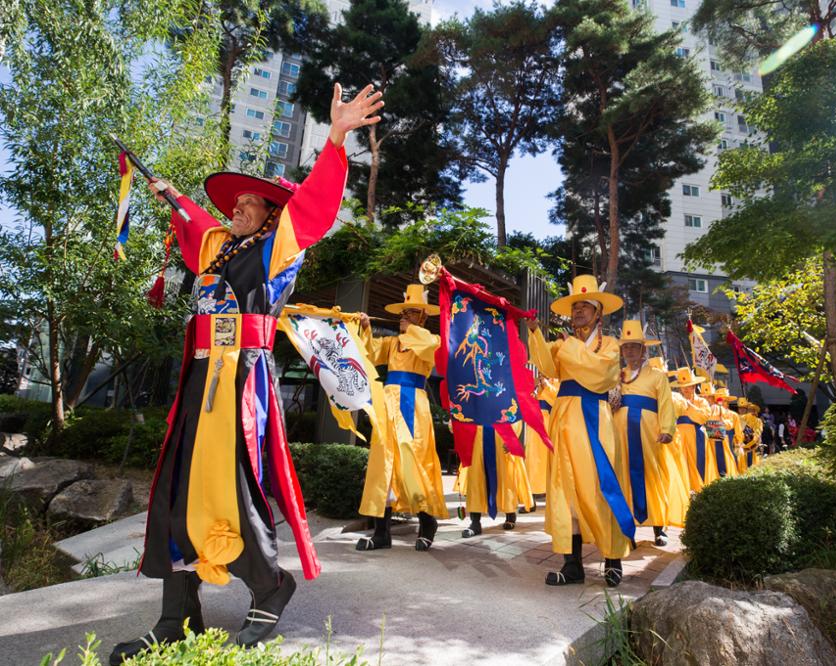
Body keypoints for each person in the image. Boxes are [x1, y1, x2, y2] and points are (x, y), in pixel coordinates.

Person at [110, 84, 384, 665]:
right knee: (180, 486)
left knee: (236, 485)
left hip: (241, 382)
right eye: (235, 204)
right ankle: (176, 613)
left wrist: (335, 137)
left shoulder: (278, 249)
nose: (237, 207)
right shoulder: (219, 250)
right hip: (200, 377)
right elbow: (192, 222)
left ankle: (268, 585)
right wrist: (165, 190)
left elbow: (313, 209)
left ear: (272, 216)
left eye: (250, 203)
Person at [527, 275, 632, 587]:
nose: (578, 312)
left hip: (595, 420)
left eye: (584, 306)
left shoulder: (610, 345)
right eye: (575, 307)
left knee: (600, 486)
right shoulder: (562, 344)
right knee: (564, 491)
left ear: (598, 313)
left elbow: (599, 376)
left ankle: (613, 560)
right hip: (564, 419)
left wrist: (568, 346)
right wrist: (534, 333)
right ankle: (572, 565)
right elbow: (546, 365)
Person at [356, 285, 449, 552]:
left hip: (413, 404)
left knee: (414, 462)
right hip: (388, 403)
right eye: (404, 312)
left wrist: (411, 329)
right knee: (382, 464)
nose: (404, 317)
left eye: (412, 313)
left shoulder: (430, 340)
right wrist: (364, 327)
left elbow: (430, 347)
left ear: (423, 318)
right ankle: (381, 532)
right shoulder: (392, 343)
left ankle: (427, 521)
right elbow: (370, 353)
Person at [614, 321, 686, 547]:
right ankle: (627, 529)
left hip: (648, 433)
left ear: (644, 349)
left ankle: (659, 527)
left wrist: (667, 429)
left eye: (635, 346)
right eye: (626, 347)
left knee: (652, 476)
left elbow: (666, 404)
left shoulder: (657, 376)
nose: (630, 351)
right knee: (623, 475)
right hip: (621, 433)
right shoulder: (617, 376)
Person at [458, 424, 535, 537]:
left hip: (501, 434)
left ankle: (510, 514)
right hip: (477, 436)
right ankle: (475, 522)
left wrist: (511, 437)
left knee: (506, 479)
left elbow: (514, 412)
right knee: (476, 481)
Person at [671, 367, 715, 491]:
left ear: (694, 386)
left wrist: (689, 406)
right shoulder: (675, 400)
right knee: (681, 463)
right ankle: (683, 490)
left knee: (698, 464)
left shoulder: (701, 401)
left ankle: (699, 489)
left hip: (696, 436)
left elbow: (704, 417)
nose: (685, 388)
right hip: (678, 436)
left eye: (689, 385)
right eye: (683, 386)